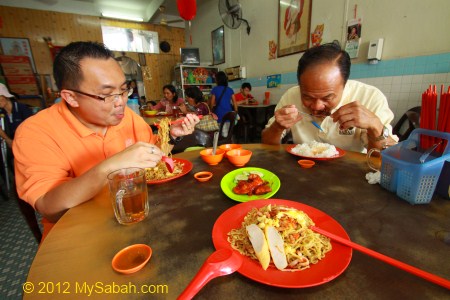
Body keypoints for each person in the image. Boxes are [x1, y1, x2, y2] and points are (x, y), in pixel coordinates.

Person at [12, 41, 199, 240]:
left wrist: (171, 135)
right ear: (71, 97)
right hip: (80, 234)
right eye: (106, 95)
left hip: (137, 215)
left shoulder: (127, 117)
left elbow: (152, 153)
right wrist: (111, 166)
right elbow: (48, 205)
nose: (121, 102)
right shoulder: (36, 132)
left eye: (123, 90)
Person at [262, 43, 398, 152]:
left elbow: (384, 157)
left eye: (327, 98)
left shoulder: (370, 97)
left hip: (352, 175)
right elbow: (267, 144)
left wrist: (375, 127)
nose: (316, 106)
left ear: (345, 84)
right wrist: (277, 127)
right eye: (307, 97)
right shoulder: (291, 96)